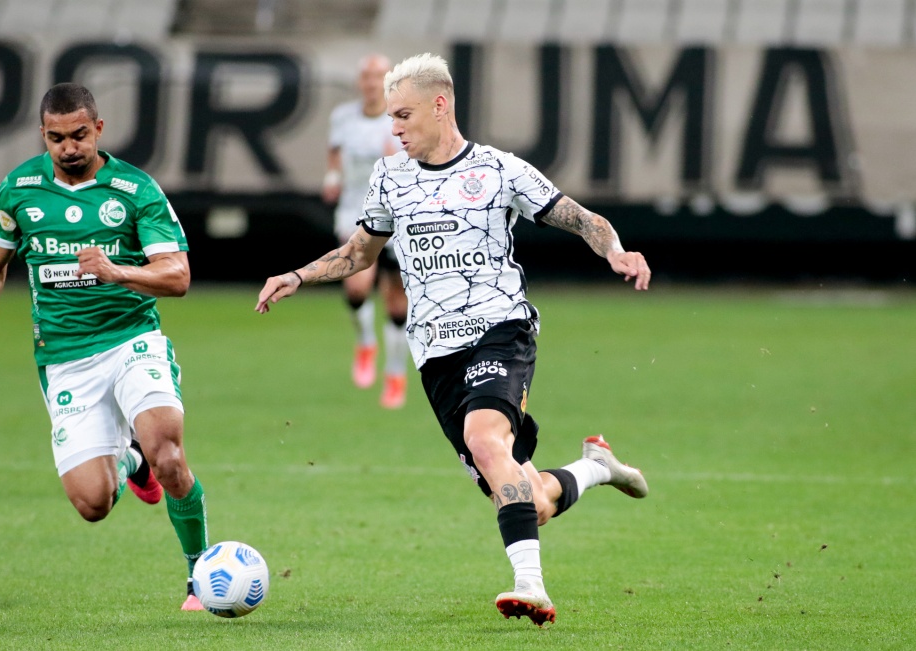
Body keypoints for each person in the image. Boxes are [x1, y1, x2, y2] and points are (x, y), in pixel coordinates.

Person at [256, 53, 651, 626]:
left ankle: (531, 587)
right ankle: (596, 467)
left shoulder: (499, 170)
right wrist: (296, 275)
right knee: (527, 499)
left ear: (440, 106)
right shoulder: (390, 177)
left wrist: (616, 251)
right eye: (391, 117)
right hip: (435, 355)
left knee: (486, 441)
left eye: (403, 115)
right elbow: (357, 255)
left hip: (501, 331)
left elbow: (583, 218)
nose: (393, 128)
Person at [0, 83, 209, 611]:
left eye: (79, 135)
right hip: (64, 358)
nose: (69, 147)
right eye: (56, 138)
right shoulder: (20, 190)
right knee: (92, 504)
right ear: (43, 135)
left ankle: (200, 574)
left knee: (169, 451)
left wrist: (116, 271)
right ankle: (131, 462)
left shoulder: (134, 189)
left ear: (99, 129)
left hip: (132, 340)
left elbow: (178, 276)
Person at [322, 53, 410, 409]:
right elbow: (334, 154)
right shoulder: (343, 117)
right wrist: (332, 177)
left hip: (398, 215)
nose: (372, 83)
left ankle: (394, 373)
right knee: (357, 284)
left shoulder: (401, 117)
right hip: (355, 211)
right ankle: (365, 343)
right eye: (367, 76)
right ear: (361, 81)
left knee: (395, 300)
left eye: (378, 76)